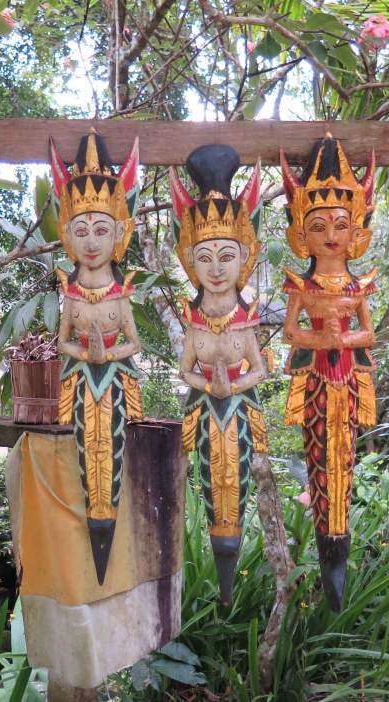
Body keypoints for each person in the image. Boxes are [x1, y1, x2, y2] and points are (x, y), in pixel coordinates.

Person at [279, 134, 377, 611]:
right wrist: (324, 340)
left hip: (348, 379)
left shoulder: (358, 287)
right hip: (317, 377)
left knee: (343, 456)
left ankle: (338, 541)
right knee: (320, 455)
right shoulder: (303, 285)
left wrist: (344, 340)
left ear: (357, 231)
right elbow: (289, 331)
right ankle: (326, 537)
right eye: (320, 227)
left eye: (341, 225)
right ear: (302, 234)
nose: (332, 236)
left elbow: (369, 333)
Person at [171, 144, 268, 604]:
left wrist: (236, 384)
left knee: (235, 484)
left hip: (238, 413)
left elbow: (260, 369)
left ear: (244, 258)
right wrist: (209, 385)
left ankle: (229, 567)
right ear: (190, 260)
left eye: (226, 256)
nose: (215, 268)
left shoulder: (245, 321)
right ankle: (223, 572)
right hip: (207, 409)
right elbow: (184, 370)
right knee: (213, 482)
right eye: (205, 257)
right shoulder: (194, 322)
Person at [50, 128, 143, 584]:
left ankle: (106, 520)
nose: (91, 243)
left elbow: (134, 343)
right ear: (67, 235)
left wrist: (108, 354)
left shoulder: (120, 293)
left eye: (101, 230)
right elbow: (60, 342)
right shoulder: (69, 293)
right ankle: (95, 520)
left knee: (112, 453)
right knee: (89, 453)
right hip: (84, 381)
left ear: (119, 234)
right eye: (82, 231)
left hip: (113, 381)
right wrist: (86, 353)